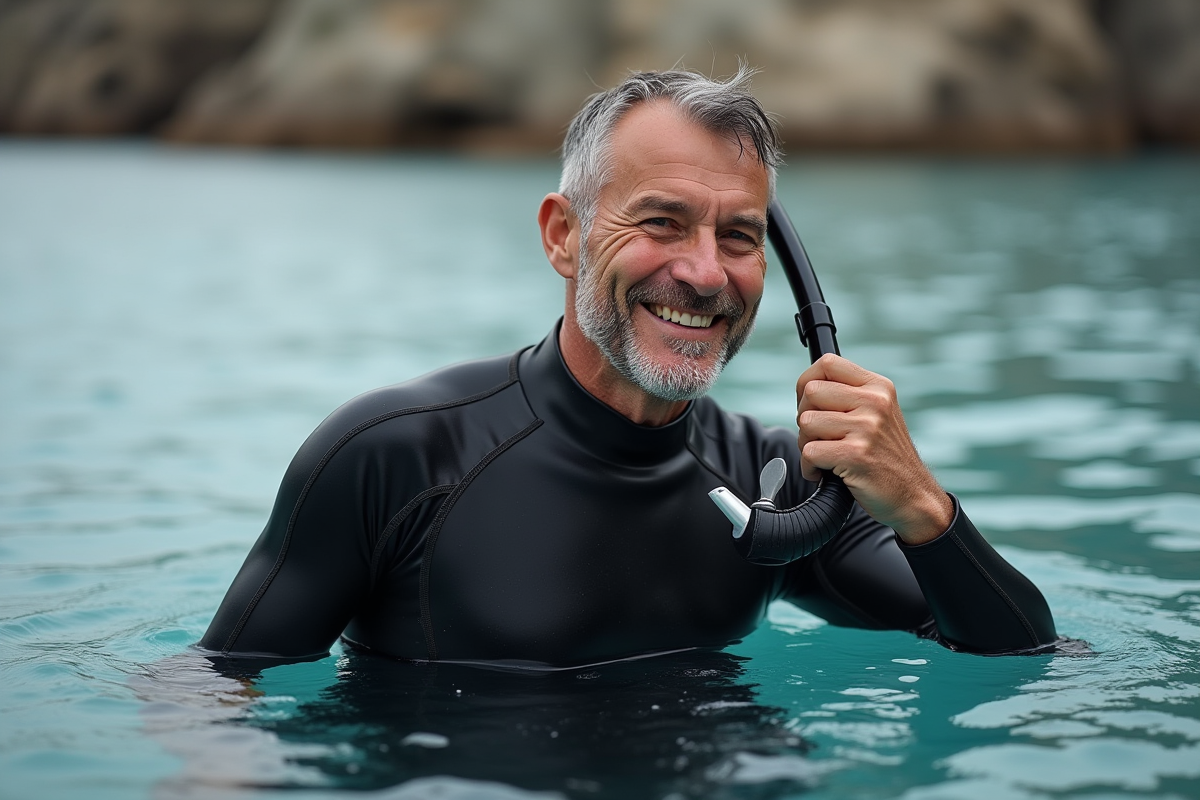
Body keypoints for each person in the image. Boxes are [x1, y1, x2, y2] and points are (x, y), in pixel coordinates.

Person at [200, 68, 1056, 667]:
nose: (705, 273)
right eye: (661, 222)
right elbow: (211, 692)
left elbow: (1019, 652)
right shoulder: (394, 455)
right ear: (562, 235)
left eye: (739, 237)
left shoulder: (781, 489)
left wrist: (920, 505)